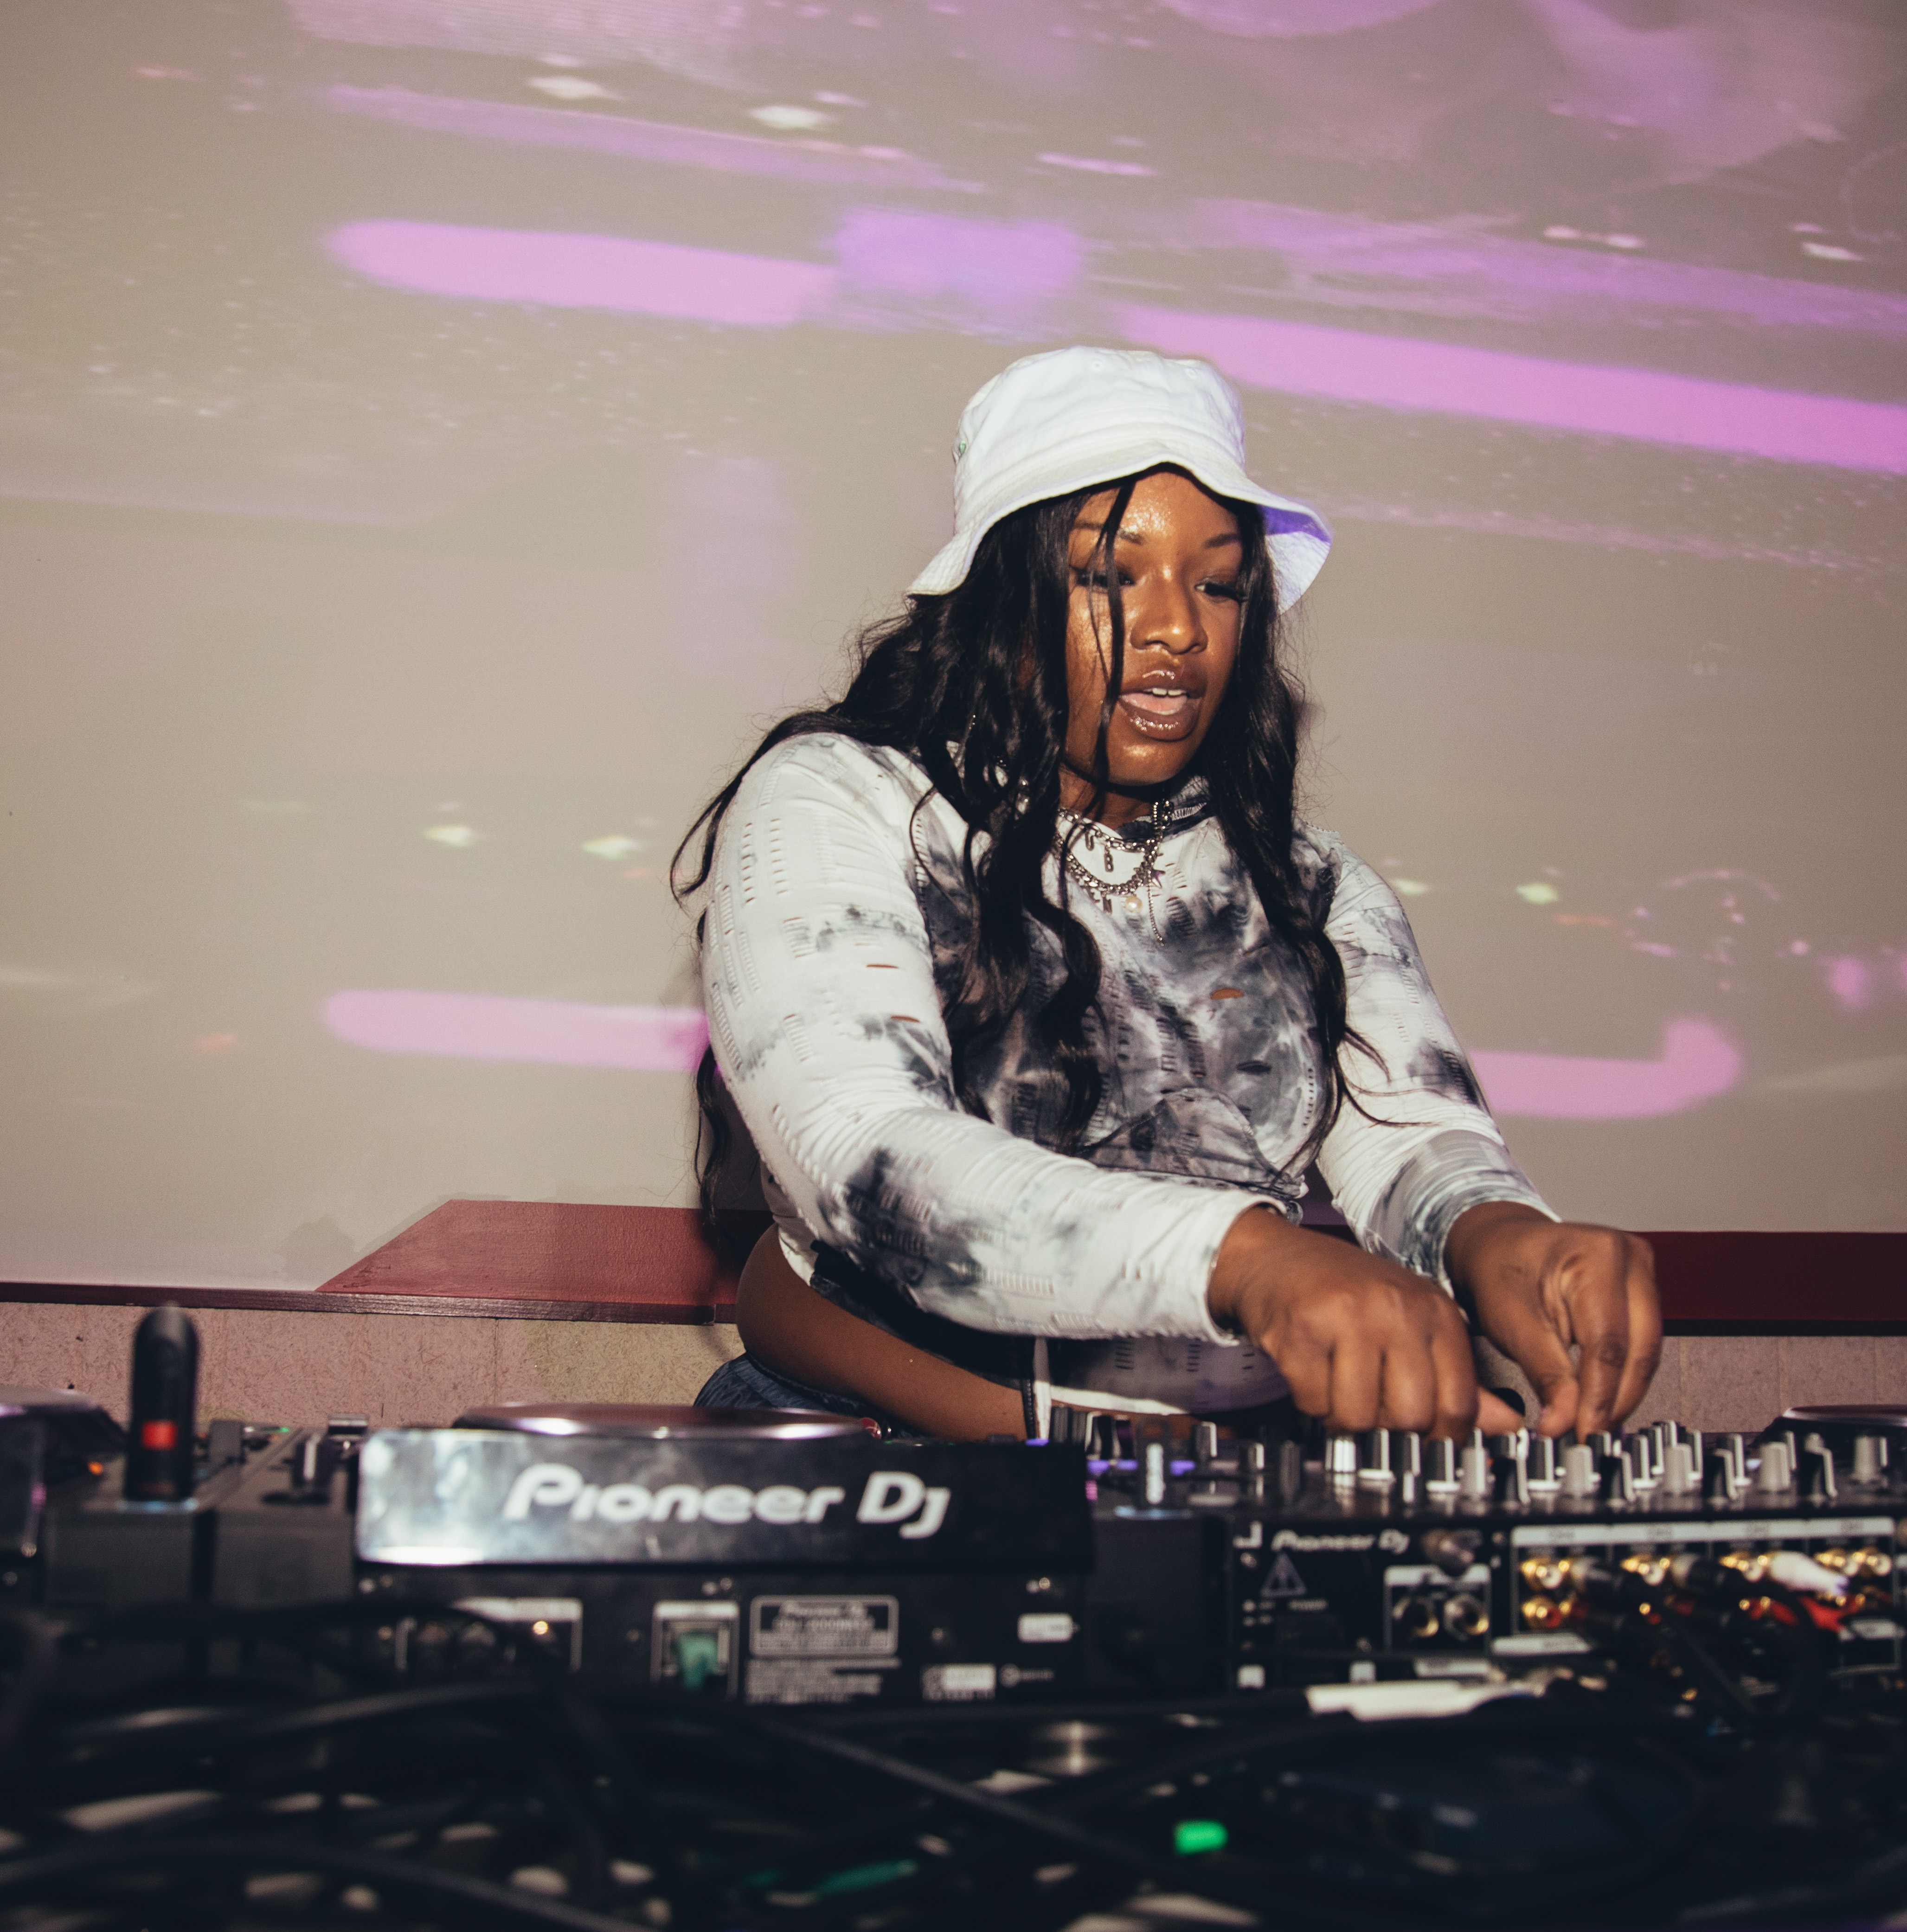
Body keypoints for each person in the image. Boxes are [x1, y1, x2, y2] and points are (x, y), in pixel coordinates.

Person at [677, 347, 1660, 1444]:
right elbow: (868, 1155)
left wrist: (1496, 1233)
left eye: (1217, 582)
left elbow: (1409, 1139)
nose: (1179, 628)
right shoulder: (839, 802)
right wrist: (1248, 1259)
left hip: (1224, 1473)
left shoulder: (1310, 882)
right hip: (887, 1458)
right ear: (1001, 595)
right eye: (1110, 575)